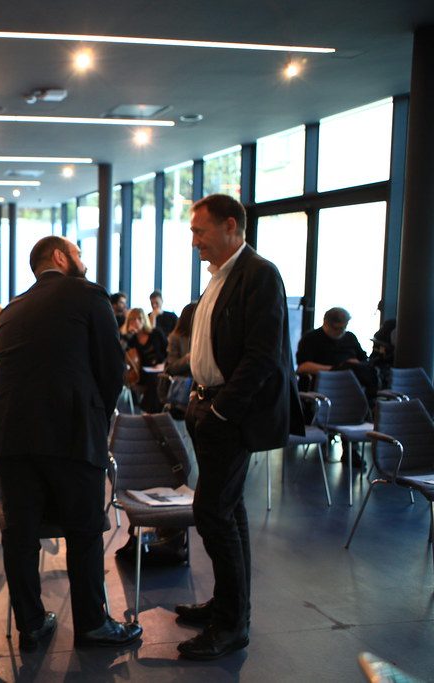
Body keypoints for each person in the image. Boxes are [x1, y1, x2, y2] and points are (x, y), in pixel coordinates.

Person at [0, 236, 141, 652]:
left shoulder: (13, 308)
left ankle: (31, 624)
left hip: (11, 435)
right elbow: (112, 369)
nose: (83, 262)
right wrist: (97, 416)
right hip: (70, 430)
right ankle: (93, 624)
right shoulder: (88, 294)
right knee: (84, 530)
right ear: (59, 256)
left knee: (21, 535)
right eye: (78, 255)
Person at [178, 194, 303, 660]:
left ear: (230, 225)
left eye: (200, 231)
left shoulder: (259, 274)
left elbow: (262, 356)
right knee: (228, 512)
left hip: (229, 416)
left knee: (212, 513)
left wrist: (221, 411)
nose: (195, 241)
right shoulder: (220, 277)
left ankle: (232, 625)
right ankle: (227, 606)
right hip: (207, 406)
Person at [295, 307, 368, 386]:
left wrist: (356, 365)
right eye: (337, 328)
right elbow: (303, 367)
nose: (341, 331)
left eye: (344, 327)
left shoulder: (350, 337)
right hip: (322, 382)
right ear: (325, 323)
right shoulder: (311, 338)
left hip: (350, 381)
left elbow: (364, 360)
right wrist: (338, 369)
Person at [122, 308, 168, 412]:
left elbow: (168, 352)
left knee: (156, 379)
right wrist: (129, 334)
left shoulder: (156, 333)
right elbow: (120, 351)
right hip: (142, 371)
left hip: (161, 368)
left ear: (144, 320)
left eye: (139, 319)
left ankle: (148, 411)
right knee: (153, 379)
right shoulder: (131, 339)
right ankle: (153, 413)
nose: (136, 322)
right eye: (133, 319)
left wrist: (164, 364)